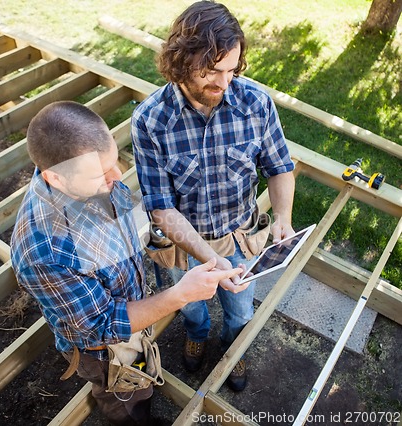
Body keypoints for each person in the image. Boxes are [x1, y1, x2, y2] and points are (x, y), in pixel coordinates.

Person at [10, 101, 243, 425]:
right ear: (56, 178)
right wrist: (181, 294)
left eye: (114, 160)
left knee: (141, 379)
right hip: (104, 352)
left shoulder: (85, 178)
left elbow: (139, 221)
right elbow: (103, 326)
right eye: (100, 174)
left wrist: (211, 257)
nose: (117, 177)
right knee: (129, 400)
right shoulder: (45, 250)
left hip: (132, 318)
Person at [131, 0, 296, 392]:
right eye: (210, 71)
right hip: (184, 244)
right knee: (191, 306)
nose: (223, 84)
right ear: (180, 61)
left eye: (231, 70)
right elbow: (160, 208)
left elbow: (280, 168)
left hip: (240, 235)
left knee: (240, 310)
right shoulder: (151, 121)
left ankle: (233, 351)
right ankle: (197, 335)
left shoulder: (255, 103)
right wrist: (212, 261)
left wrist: (284, 218)